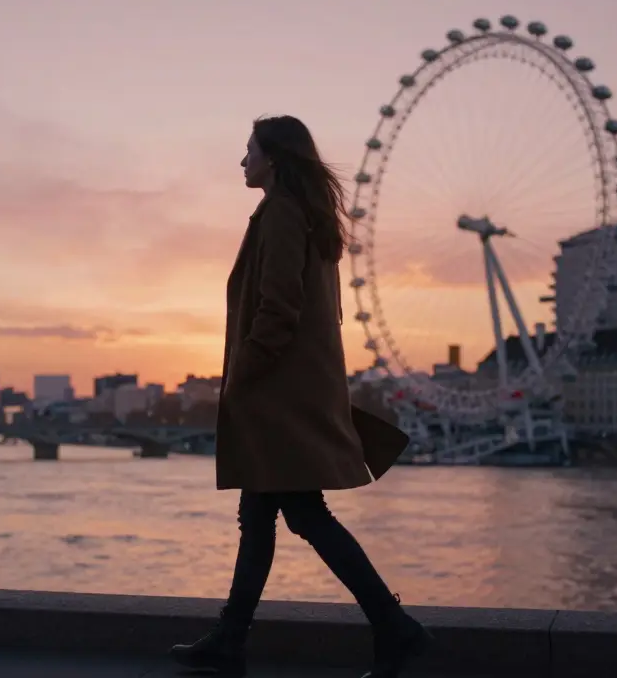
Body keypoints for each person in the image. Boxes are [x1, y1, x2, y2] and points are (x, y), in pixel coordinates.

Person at [169, 115, 434, 678]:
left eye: (249, 152)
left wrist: (243, 374)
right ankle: (233, 637)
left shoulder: (283, 214)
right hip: (287, 391)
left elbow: (278, 307)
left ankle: (394, 628)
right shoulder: (303, 215)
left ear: (274, 158)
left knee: (303, 515)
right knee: (263, 514)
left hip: (276, 395)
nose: (243, 162)